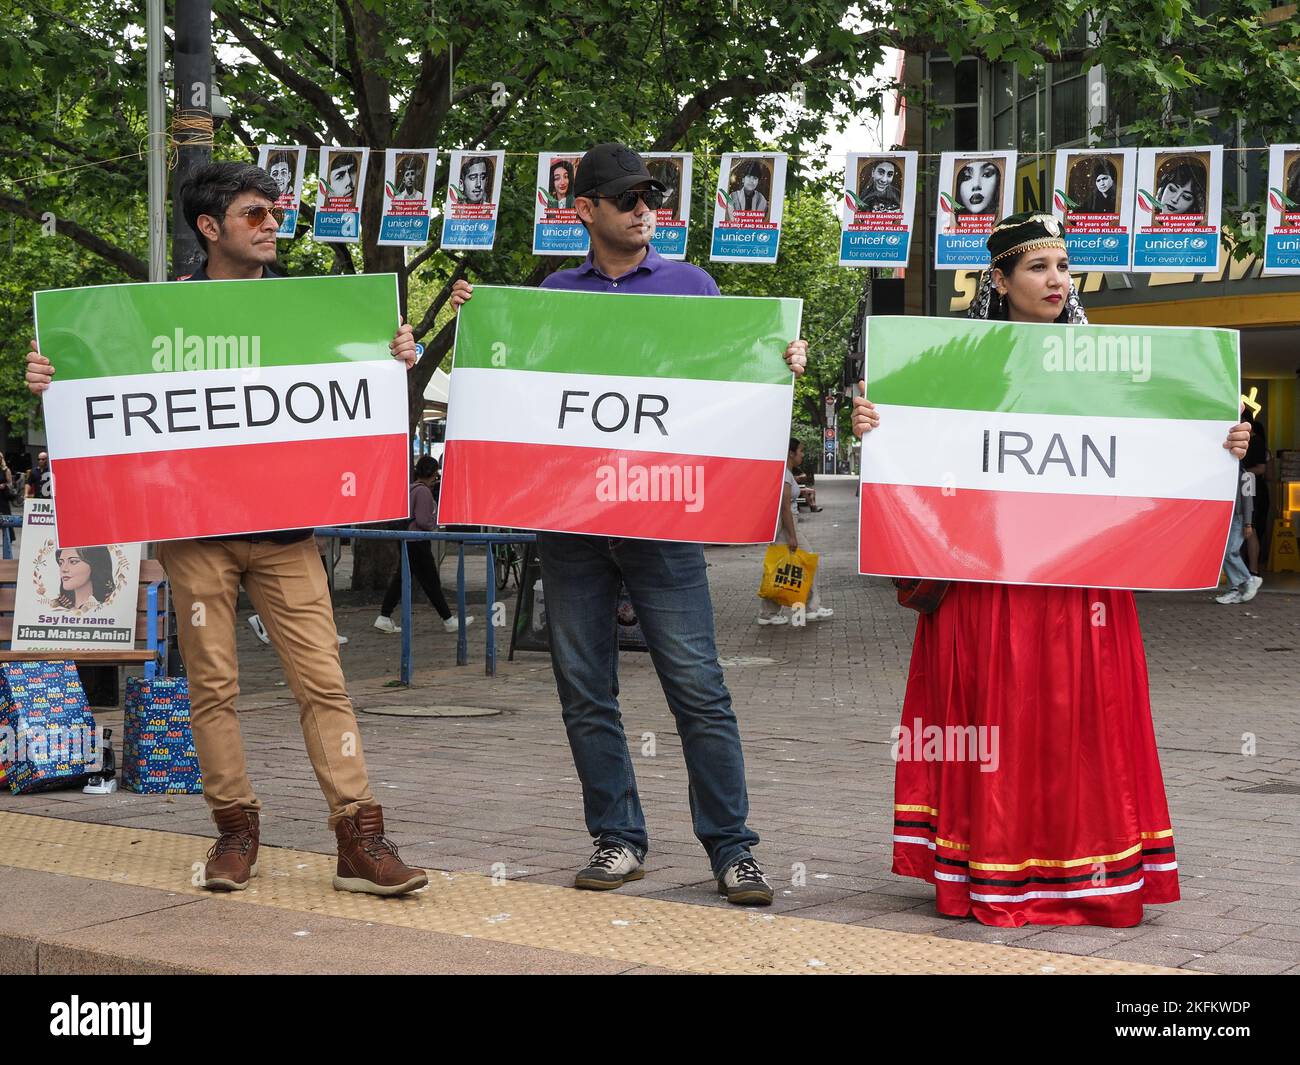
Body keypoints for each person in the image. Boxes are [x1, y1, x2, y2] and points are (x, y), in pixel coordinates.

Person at [25, 161, 427, 898]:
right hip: (196, 533)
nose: (272, 223)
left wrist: (397, 355)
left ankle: (359, 836)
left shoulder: (318, 313)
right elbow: (97, 392)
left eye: (273, 212)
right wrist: (56, 378)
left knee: (324, 682)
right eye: (254, 214)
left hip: (285, 536)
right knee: (213, 684)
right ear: (209, 228)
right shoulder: (156, 315)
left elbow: (355, 396)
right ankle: (235, 831)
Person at [851, 212, 1250, 927]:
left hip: (1080, 579)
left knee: (1077, 718)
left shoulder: (1110, 366)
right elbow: (917, 452)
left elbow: (1161, 451)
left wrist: (1221, 441)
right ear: (998, 282)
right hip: (987, 577)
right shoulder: (955, 363)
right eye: (1038, 268)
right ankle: (993, 864)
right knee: (994, 717)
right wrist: (875, 427)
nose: (1057, 280)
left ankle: (1082, 869)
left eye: (1064, 267)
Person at [450, 142, 808, 906]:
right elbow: (519, 394)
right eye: (627, 199)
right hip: (572, 527)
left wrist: (782, 361)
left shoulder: (693, 284)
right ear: (585, 212)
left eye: (651, 197)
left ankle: (733, 849)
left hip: (662, 518)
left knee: (699, 687)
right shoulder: (552, 294)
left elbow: (730, 387)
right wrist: (475, 331)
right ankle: (618, 838)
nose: (645, 209)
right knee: (585, 687)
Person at [375, 455, 473, 634]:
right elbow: (423, 520)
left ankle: (384, 616)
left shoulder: (411, 489)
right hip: (418, 541)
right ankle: (448, 620)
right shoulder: (424, 492)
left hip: (407, 540)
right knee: (431, 581)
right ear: (433, 473)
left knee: (402, 579)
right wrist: (434, 522)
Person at [757, 438, 833, 626]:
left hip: (787, 524)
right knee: (805, 560)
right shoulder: (784, 473)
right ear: (791, 453)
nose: (803, 454)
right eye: (801, 451)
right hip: (786, 524)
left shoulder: (787, 473)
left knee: (781, 566)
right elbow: (784, 507)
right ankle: (810, 608)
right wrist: (791, 535)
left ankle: (769, 612)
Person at [1217, 469, 1263, 605]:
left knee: (1230, 551)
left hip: (1238, 518)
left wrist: (1248, 523)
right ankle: (1233, 590)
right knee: (1225, 553)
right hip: (1226, 517)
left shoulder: (1246, 475)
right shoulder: (1224, 474)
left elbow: (1249, 501)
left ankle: (1250, 580)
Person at [1240, 414, 1270, 574]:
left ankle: (1253, 570)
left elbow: (1262, 469)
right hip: (1245, 486)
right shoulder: (1241, 441)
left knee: (1250, 528)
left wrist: (1241, 472)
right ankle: (1247, 570)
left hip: (1252, 488)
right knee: (1246, 528)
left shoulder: (1256, 441)